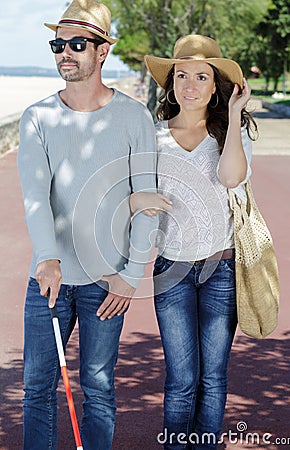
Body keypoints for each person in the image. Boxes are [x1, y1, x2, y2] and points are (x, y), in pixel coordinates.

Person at [17, 1, 158, 449]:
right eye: (59, 44)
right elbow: (36, 197)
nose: (65, 53)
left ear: (103, 51)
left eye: (78, 44)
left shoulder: (135, 117)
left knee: (97, 389)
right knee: (37, 389)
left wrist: (131, 277)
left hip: (107, 281)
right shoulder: (37, 118)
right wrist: (50, 258)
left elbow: (147, 205)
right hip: (48, 280)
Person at [130, 34, 257, 449]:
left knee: (214, 377)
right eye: (181, 75)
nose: (189, 85)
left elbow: (231, 178)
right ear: (171, 84)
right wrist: (136, 200)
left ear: (216, 85)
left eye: (201, 76)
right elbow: (131, 196)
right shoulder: (153, 136)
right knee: (182, 379)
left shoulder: (230, 135)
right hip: (172, 270)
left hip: (222, 267)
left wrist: (235, 116)